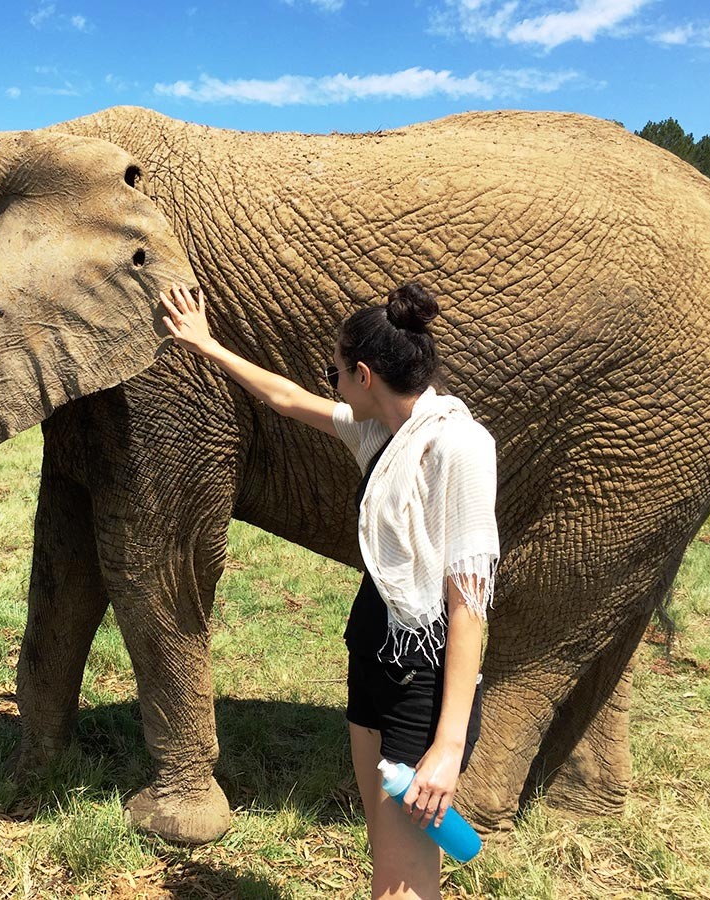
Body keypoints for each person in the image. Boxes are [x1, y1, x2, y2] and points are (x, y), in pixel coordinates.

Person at [160, 281, 498, 900]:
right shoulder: (379, 434)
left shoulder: (459, 446)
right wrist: (207, 345)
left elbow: (468, 603)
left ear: (363, 375)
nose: (331, 385)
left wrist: (448, 747)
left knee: (402, 882)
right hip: (372, 658)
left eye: (334, 373)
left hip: (421, 683)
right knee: (388, 859)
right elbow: (286, 398)